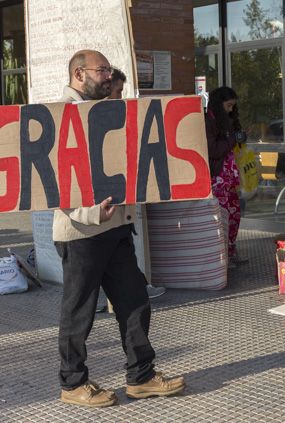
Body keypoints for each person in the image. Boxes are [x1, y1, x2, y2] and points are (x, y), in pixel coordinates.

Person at [53, 49, 185, 408]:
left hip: (115, 228)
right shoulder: (59, 115)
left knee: (135, 301)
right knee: (78, 311)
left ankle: (141, 376)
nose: (109, 77)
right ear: (79, 74)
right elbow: (53, 183)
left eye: (110, 71)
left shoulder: (107, 111)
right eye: (103, 70)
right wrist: (92, 212)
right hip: (81, 232)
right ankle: (72, 383)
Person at [106, 66, 167, 300]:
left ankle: (137, 289)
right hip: (110, 207)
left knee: (125, 255)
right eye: (118, 91)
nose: (120, 97)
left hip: (121, 207)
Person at [205, 86, 248, 268]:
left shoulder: (225, 120)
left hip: (229, 179)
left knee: (234, 216)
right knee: (223, 218)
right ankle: (223, 257)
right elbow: (214, 150)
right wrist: (232, 138)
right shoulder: (209, 121)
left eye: (233, 106)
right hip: (218, 179)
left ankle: (230, 252)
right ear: (218, 103)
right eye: (228, 106)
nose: (230, 110)